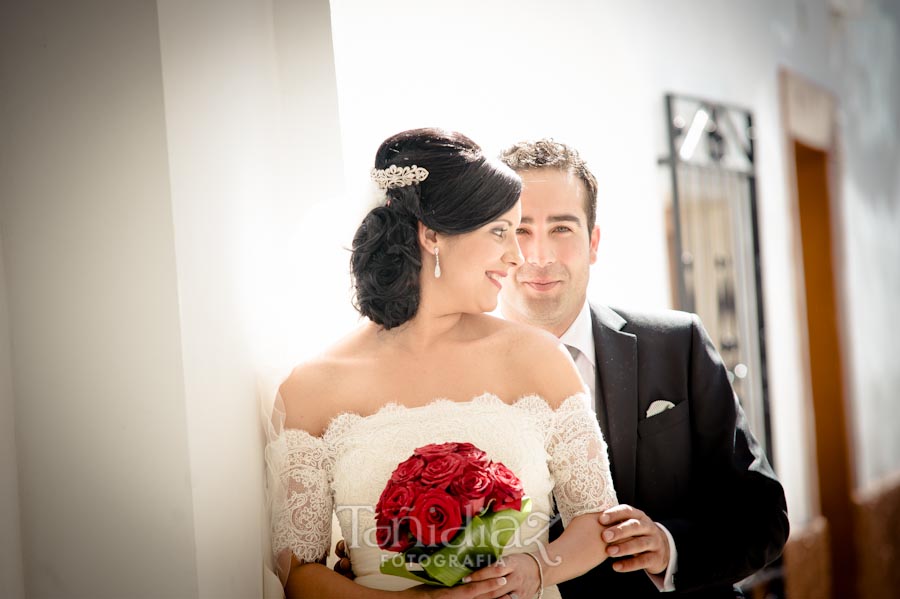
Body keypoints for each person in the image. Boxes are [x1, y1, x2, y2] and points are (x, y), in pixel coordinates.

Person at [266, 129, 620, 599]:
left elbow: (597, 520)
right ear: (432, 234)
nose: (515, 257)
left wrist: (538, 569)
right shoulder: (312, 387)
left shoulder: (538, 359)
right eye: (500, 232)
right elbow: (298, 572)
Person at [495, 139, 790, 598]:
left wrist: (669, 547)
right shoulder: (453, 376)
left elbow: (762, 513)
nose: (539, 255)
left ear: (593, 242)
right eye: (519, 230)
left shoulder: (677, 345)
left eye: (561, 229)